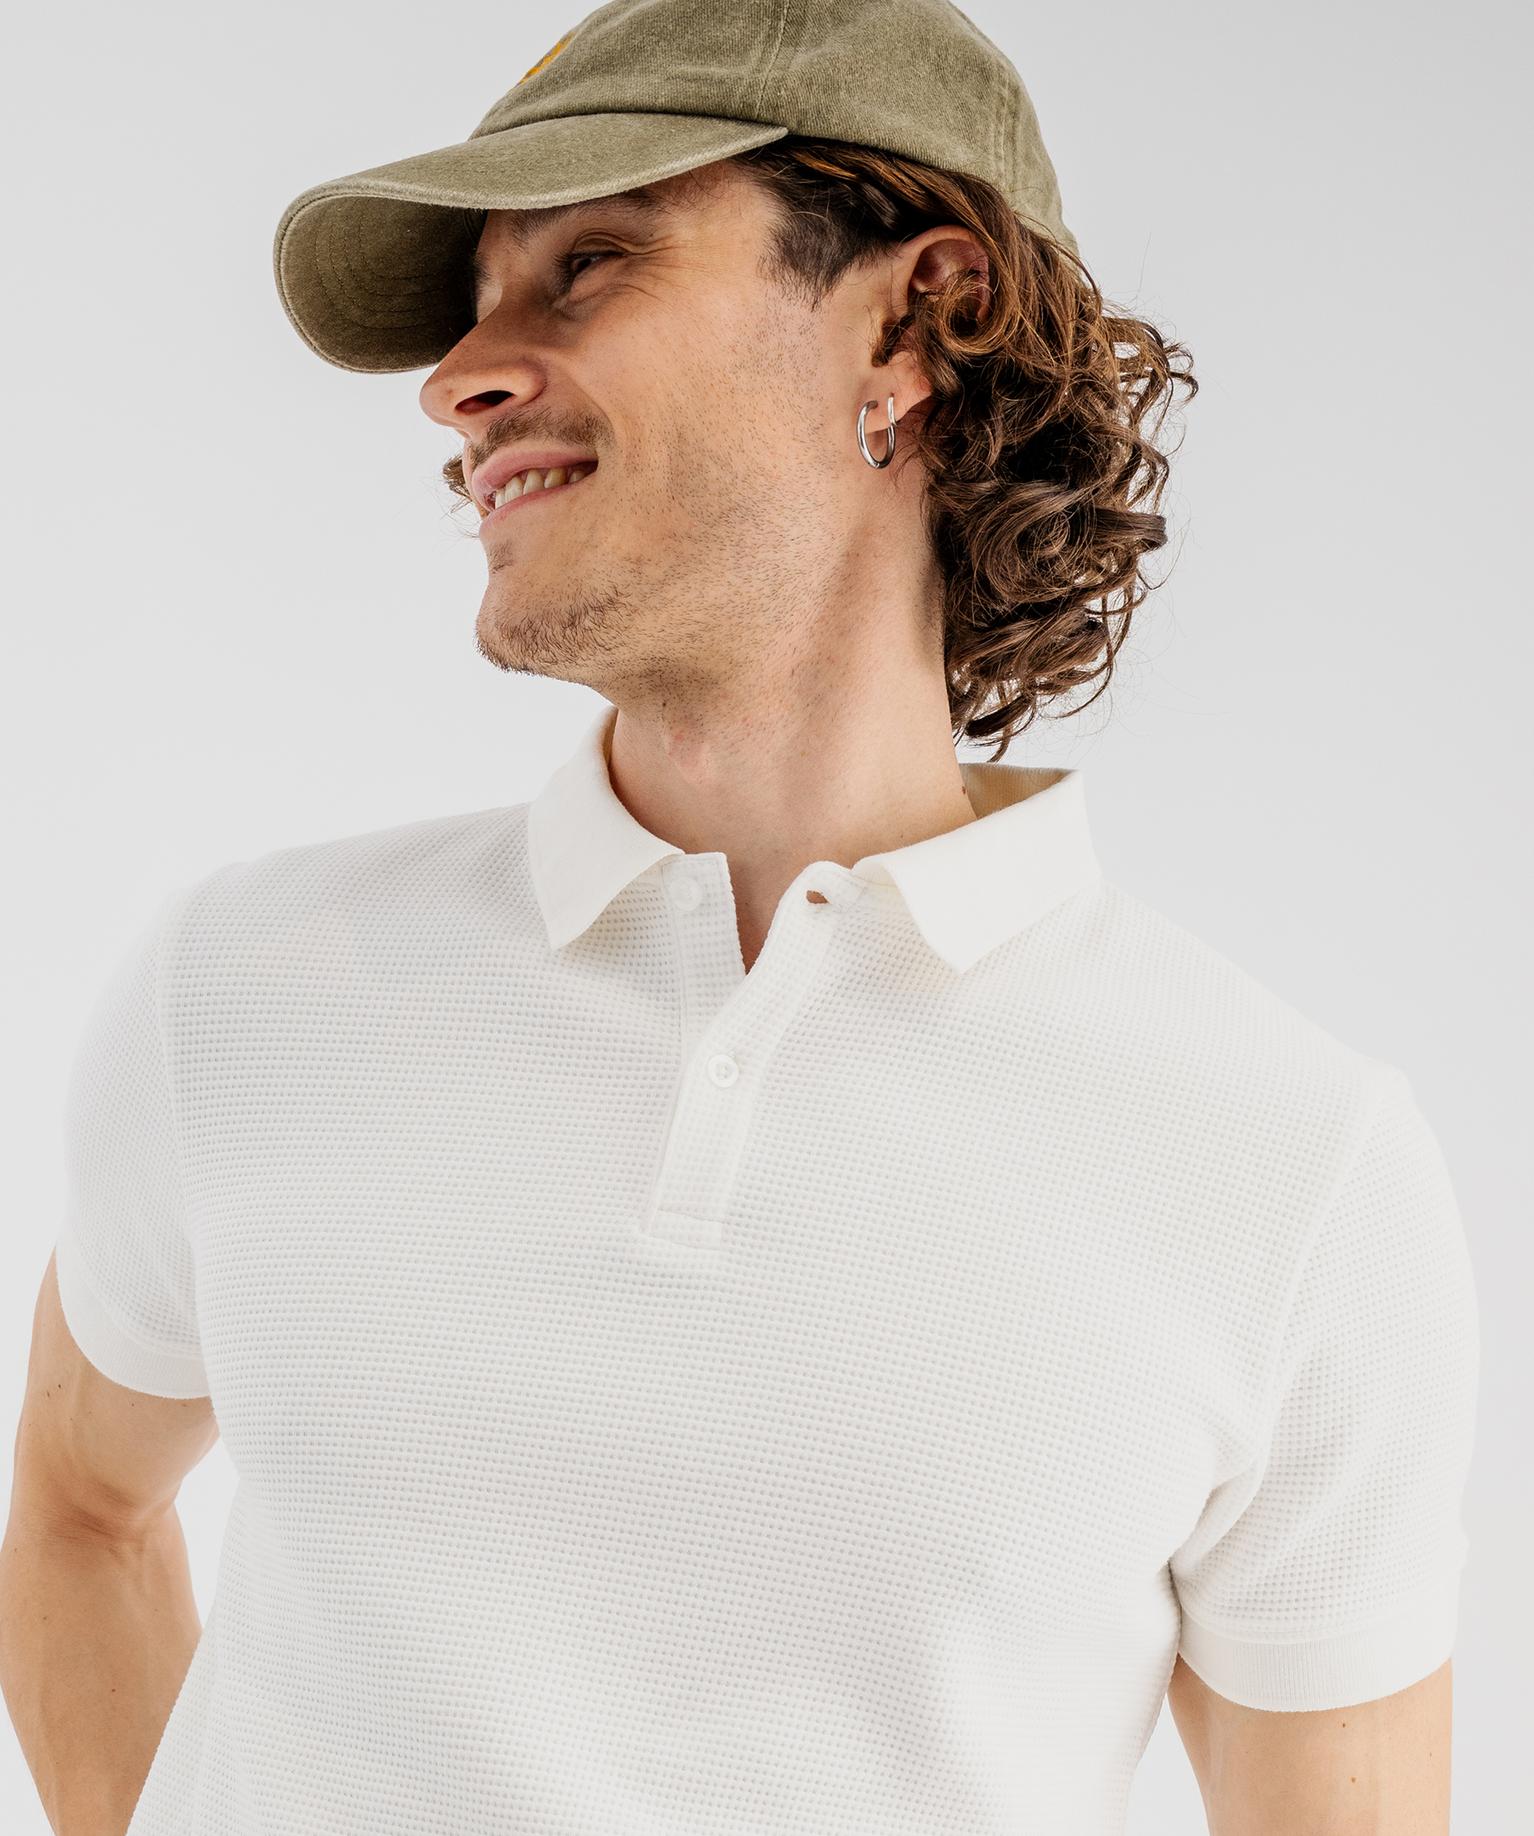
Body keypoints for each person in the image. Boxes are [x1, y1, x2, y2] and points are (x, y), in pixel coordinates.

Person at [0, 2, 1477, 1833]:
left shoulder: (1291, 1172)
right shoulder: (241, 988)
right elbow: (78, 1507)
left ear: (913, 323)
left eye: (587, 265)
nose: (460, 378)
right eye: (476, 303)